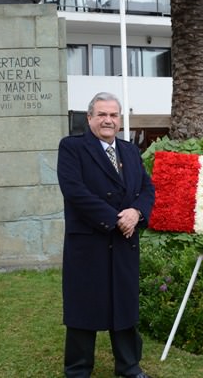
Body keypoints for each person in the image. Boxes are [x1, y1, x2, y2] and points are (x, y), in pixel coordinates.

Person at [56, 92, 155, 378]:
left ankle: (129, 367)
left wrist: (136, 213)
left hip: (124, 242)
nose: (107, 120)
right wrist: (116, 219)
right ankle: (77, 370)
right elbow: (74, 191)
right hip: (89, 242)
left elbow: (147, 189)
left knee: (123, 305)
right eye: (101, 114)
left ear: (119, 119)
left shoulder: (130, 151)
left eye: (113, 115)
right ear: (89, 118)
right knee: (83, 307)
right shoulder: (72, 148)